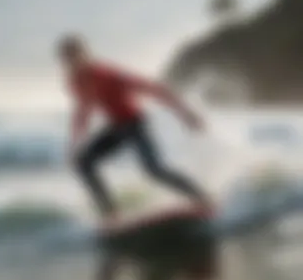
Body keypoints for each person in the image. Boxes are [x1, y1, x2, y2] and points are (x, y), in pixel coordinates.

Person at [56, 34, 211, 228]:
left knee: (153, 169)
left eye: (75, 55)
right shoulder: (75, 82)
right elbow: (83, 112)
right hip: (116, 128)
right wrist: (74, 146)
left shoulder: (107, 74)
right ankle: (110, 214)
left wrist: (186, 114)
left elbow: (154, 89)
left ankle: (201, 197)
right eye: (67, 58)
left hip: (135, 124)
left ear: (85, 54)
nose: (73, 62)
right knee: (83, 162)